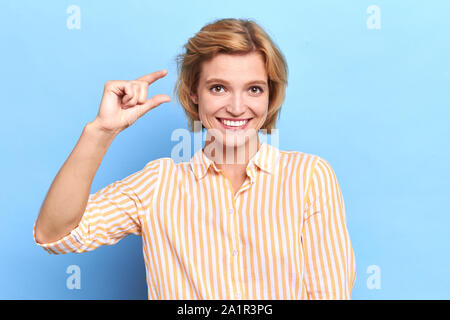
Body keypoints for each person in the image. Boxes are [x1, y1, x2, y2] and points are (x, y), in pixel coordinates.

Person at [33, 18, 356, 300]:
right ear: (193, 94)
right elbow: (55, 236)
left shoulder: (309, 175)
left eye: (254, 89)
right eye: (219, 88)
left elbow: (330, 292)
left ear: (271, 96)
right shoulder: (157, 184)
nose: (237, 106)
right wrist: (101, 131)